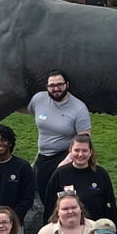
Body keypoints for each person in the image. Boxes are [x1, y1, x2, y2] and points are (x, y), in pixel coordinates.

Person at [29, 70, 93, 210]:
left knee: (65, 201)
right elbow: (26, 109)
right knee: (46, 199)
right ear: (47, 87)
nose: (56, 88)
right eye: (52, 85)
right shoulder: (38, 99)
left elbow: (85, 138)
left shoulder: (79, 108)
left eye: (60, 84)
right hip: (43, 158)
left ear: (67, 85)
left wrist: (68, 160)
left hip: (65, 157)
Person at [49, 134, 117, 222]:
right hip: (67, 230)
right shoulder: (60, 174)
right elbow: (50, 206)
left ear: (90, 152)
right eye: (77, 150)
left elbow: (110, 207)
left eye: (84, 150)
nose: (80, 154)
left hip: (95, 231)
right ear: (70, 151)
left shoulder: (100, 174)